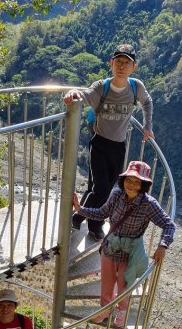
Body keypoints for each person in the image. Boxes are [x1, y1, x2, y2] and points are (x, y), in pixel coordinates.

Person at [64, 43, 154, 241]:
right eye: (118, 62)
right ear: (111, 64)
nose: (122, 66)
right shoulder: (101, 87)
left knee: (99, 187)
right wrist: (73, 91)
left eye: (126, 63)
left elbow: (147, 102)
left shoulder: (135, 87)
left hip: (119, 146)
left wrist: (148, 126)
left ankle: (79, 215)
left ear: (134, 67)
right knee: (103, 190)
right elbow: (85, 95)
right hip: (99, 144)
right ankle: (94, 226)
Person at [72, 160, 175, 328]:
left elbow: (169, 225)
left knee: (124, 286)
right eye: (129, 180)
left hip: (130, 253)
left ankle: (122, 311)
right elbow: (102, 213)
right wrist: (80, 210)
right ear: (123, 180)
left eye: (137, 181)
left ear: (144, 184)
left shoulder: (149, 204)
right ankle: (104, 311)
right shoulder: (116, 194)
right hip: (110, 247)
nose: (131, 185)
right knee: (106, 284)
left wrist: (162, 246)